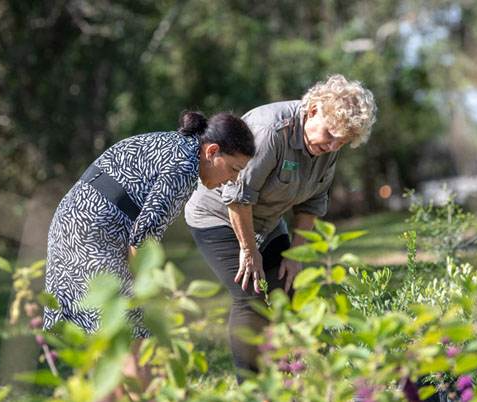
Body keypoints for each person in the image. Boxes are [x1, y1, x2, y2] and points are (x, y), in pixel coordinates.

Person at [183, 74, 377, 378]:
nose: (334, 144)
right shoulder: (270, 130)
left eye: (343, 141)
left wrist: (295, 255)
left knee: (288, 288)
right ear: (313, 110)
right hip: (219, 215)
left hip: (267, 222)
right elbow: (238, 196)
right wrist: (249, 251)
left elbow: (311, 204)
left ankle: (286, 376)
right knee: (250, 296)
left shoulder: (328, 148)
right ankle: (251, 385)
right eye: (331, 134)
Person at [43, 111, 255, 339]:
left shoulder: (178, 145)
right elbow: (142, 239)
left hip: (71, 220)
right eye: (234, 169)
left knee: (103, 334)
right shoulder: (185, 166)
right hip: (94, 231)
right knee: (129, 333)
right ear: (212, 151)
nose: (234, 180)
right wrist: (149, 295)